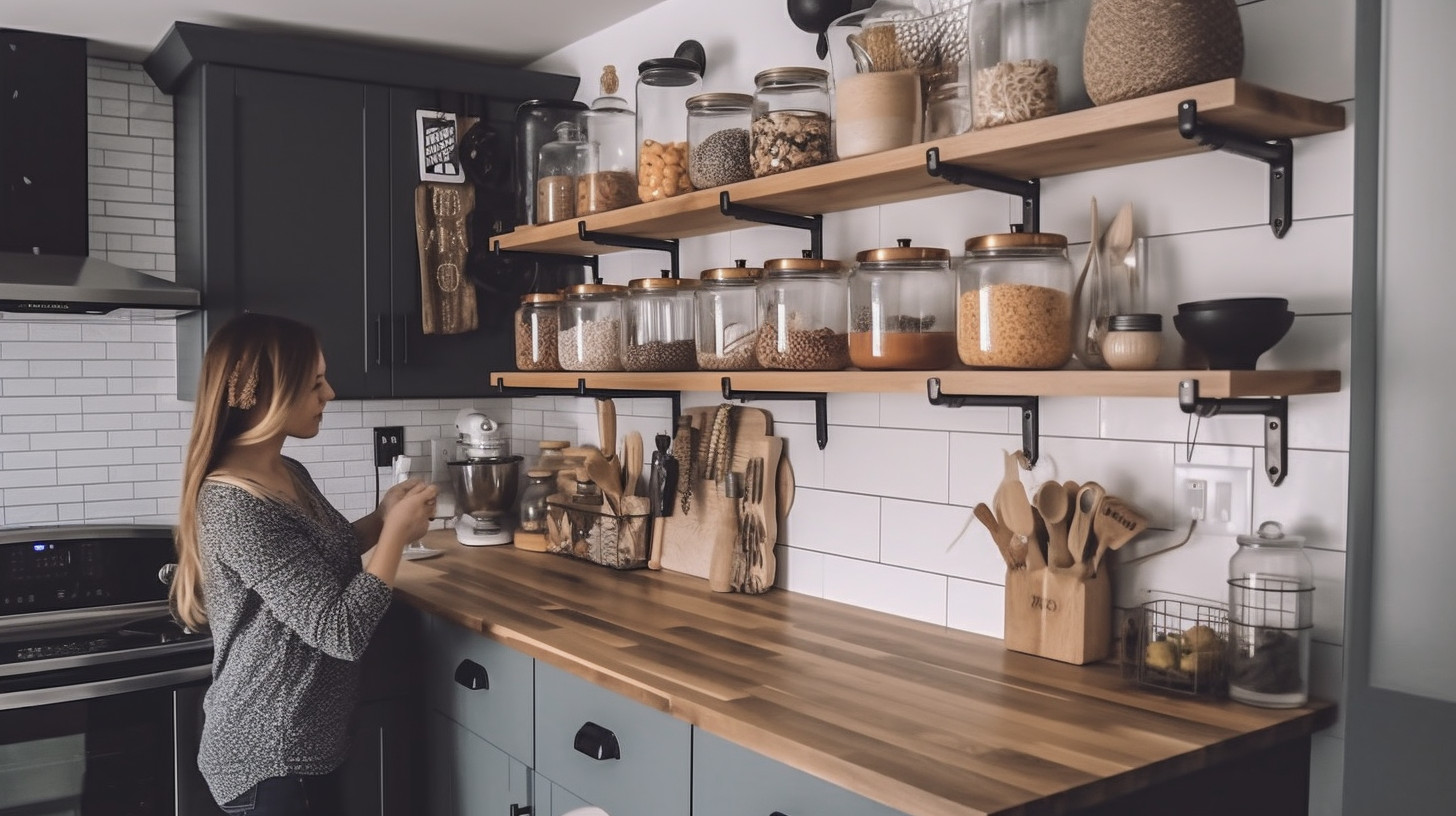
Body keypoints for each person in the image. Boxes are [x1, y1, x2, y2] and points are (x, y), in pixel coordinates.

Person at [170, 313, 437, 814]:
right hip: (270, 756)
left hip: (303, 744)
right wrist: (397, 535)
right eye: (315, 383)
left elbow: (320, 560)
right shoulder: (235, 503)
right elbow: (339, 629)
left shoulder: (284, 469)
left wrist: (380, 519)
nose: (330, 393)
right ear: (268, 395)